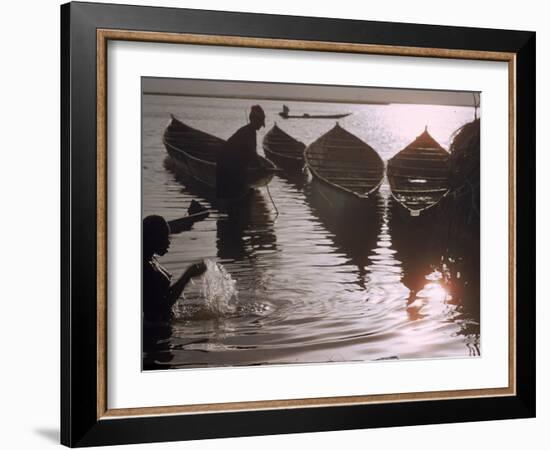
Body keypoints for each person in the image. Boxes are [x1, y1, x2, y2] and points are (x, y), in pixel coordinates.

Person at [142, 215, 207, 323]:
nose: (168, 242)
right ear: (150, 237)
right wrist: (187, 276)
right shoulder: (143, 268)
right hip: (155, 335)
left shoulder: (151, 259)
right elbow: (159, 308)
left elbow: (162, 295)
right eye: (163, 237)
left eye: (168, 237)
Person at [216, 105, 266, 199]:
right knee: (236, 198)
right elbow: (252, 152)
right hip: (229, 169)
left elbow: (251, 153)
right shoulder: (247, 133)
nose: (261, 125)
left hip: (234, 168)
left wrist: (258, 164)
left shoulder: (249, 132)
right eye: (260, 122)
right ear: (254, 120)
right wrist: (260, 166)